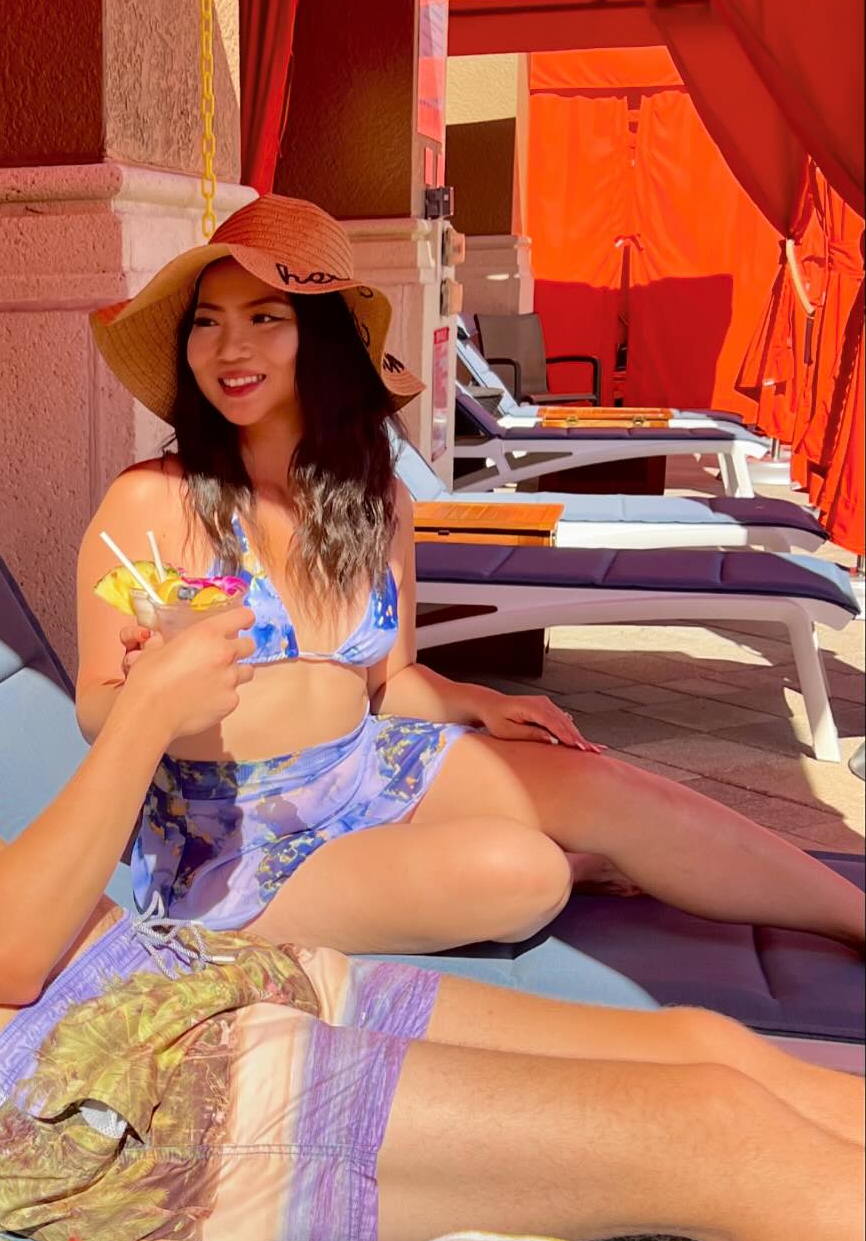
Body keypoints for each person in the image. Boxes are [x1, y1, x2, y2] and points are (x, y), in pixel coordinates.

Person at [0, 303, 864, 1241]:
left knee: (708, 1052)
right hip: (93, 1105)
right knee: (713, 1141)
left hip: (171, 977)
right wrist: (151, 713)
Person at [78, 194, 865, 955]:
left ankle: (854, 916)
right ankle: (560, 866)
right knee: (524, 873)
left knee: (611, 787)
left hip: (363, 766)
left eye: (264, 319)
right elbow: (95, 708)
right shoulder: (153, 501)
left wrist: (482, 702)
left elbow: (388, 683)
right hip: (229, 838)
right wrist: (158, 694)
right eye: (207, 322)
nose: (229, 348)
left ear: (321, 340)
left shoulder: (377, 503)